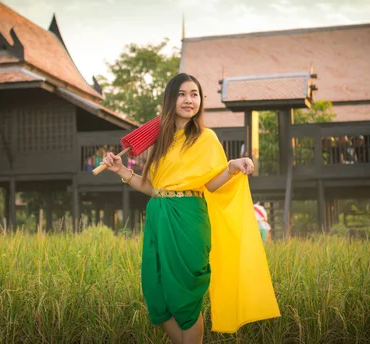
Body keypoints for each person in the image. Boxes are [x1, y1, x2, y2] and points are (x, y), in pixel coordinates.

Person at [101, 73, 280, 343]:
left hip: (189, 219)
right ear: (170, 100)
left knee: (186, 298)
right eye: (182, 94)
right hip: (158, 217)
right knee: (156, 297)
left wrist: (231, 167)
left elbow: (211, 184)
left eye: (194, 94)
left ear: (200, 100)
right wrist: (121, 170)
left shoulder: (206, 138)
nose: (189, 100)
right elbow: (152, 187)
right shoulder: (157, 140)